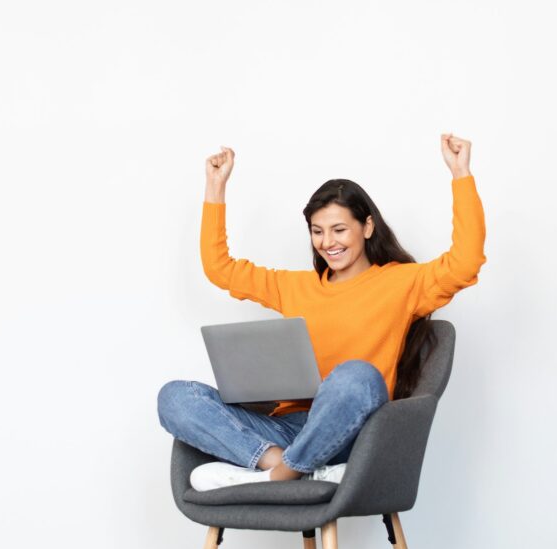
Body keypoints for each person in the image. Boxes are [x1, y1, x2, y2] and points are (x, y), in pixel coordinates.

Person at [158, 135, 486, 491]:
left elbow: (465, 263)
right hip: (286, 430)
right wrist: (215, 189)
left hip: (349, 431)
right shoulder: (295, 286)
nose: (328, 242)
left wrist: (461, 175)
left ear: (368, 227)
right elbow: (220, 269)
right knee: (175, 397)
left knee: (357, 376)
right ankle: (282, 466)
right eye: (317, 231)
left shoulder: (403, 282)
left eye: (339, 229)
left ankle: (278, 473)